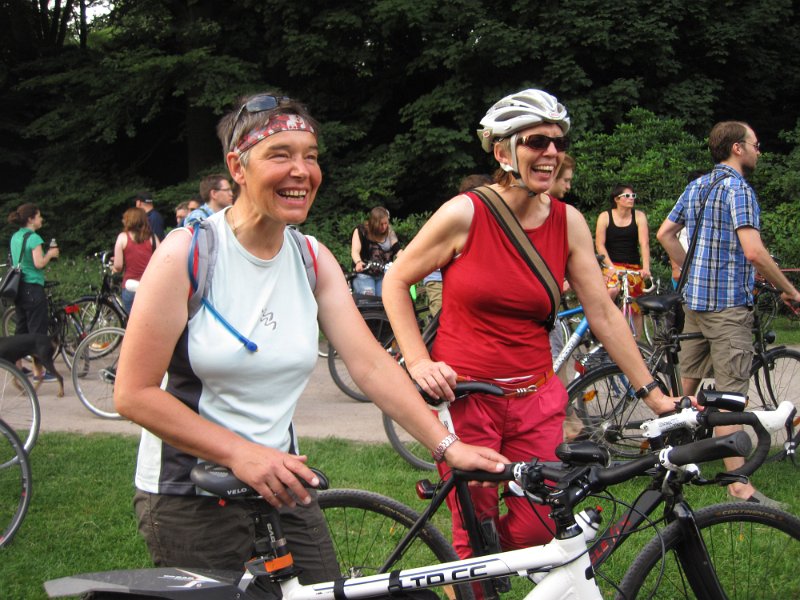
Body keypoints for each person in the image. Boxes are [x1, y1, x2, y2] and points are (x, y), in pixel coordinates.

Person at [114, 92, 505, 583]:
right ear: (237, 166)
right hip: (191, 492)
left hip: (282, 483)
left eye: (311, 156)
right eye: (281, 154)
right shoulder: (188, 254)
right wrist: (241, 452)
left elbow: (368, 363)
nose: (302, 170)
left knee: (322, 592)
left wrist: (446, 445)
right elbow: (133, 393)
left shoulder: (310, 257)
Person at [383, 89, 680, 562]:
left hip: (536, 401)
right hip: (469, 399)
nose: (551, 153)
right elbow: (396, 280)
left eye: (558, 143)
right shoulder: (467, 213)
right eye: (537, 142)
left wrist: (654, 395)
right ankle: (475, 577)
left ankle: (476, 573)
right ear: (503, 152)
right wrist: (418, 360)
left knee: (539, 525)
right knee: (477, 527)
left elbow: (603, 313)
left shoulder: (569, 221)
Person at [657, 121, 800, 509]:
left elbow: (665, 233)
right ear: (737, 148)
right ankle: (738, 486)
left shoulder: (698, 185)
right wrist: (790, 290)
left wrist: (689, 271)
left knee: (686, 391)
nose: (759, 150)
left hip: (694, 303)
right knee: (730, 400)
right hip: (726, 308)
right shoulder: (739, 190)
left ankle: (671, 463)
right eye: (755, 144)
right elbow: (753, 251)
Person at [6, 203, 59, 379]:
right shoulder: (34, 238)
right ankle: (40, 372)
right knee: (37, 331)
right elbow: (39, 263)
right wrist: (51, 254)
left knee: (21, 329)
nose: (41, 219)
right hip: (33, 287)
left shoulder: (15, 236)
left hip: (18, 288)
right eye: (39, 216)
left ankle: (17, 368)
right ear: (31, 219)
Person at [595, 184, 651, 338]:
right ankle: (602, 317)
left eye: (633, 196)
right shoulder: (605, 216)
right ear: (617, 199)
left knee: (636, 306)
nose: (631, 199)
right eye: (627, 196)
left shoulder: (639, 216)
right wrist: (611, 267)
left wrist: (646, 268)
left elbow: (644, 243)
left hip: (632, 266)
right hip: (611, 264)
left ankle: (637, 343)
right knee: (612, 289)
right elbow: (599, 244)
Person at [111, 207, 159, 315]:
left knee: (132, 321)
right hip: (150, 286)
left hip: (130, 287)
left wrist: (114, 267)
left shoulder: (123, 238)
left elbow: (118, 266)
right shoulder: (153, 238)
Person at [350, 206, 401, 296]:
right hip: (364, 275)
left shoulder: (390, 233)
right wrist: (358, 262)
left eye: (386, 223)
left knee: (384, 301)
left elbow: (398, 250)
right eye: (381, 224)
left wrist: (408, 259)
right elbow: (355, 251)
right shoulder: (361, 231)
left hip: (383, 275)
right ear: (374, 223)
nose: (384, 227)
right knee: (369, 303)